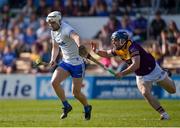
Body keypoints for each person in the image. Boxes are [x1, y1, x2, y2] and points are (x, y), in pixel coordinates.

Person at [91, 30, 176, 120]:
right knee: (145, 92)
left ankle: (166, 74)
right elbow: (106, 53)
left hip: (153, 70)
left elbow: (136, 65)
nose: (113, 42)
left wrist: (122, 73)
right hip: (141, 74)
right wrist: (96, 51)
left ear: (122, 40)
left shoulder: (133, 47)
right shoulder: (118, 49)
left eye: (115, 40)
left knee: (172, 90)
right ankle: (164, 114)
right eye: (113, 40)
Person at [46, 11, 92, 120]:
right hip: (66, 62)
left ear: (58, 21)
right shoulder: (53, 31)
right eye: (49, 23)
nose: (50, 25)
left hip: (77, 64)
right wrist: (53, 59)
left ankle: (87, 107)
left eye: (52, 23)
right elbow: (55, 47)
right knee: (54, 82)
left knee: (76, 93)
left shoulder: (66, 29)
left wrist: (80, 46)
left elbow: (76, 37)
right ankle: (66, 106)